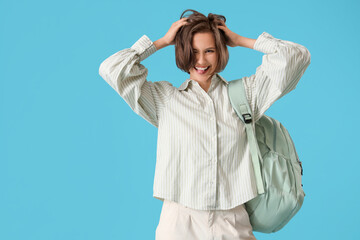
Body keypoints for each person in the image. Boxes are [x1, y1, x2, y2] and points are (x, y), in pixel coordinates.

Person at [98, 9, 311, 240]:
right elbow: (112, 69)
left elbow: (297, 56)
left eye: (209, 50)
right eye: (193, 51)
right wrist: (161, 42)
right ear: (182, 53)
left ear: (220, 50)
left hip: (232, 219)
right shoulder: (165, 100)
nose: (200, 61)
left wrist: (239, 40)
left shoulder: (246, 96)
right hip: (180, 219)